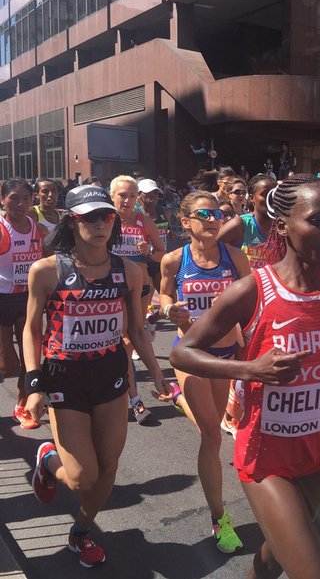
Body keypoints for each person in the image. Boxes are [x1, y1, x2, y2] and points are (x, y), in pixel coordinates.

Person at [169, 178, 320, 579]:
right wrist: (250, 369)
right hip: (266, 457)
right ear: (283, 226)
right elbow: (183, 352)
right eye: (318, 221)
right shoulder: (252, 290)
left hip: (319, 451)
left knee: (273, 559)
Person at [25, 185, 171, 568]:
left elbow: (138, 330)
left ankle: (82, 531)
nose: (101, 224)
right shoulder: (48, 270)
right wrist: (33, 383)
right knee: (80, 477)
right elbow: (31, 330)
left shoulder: (131, 271)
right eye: (90, 217)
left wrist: (157, 376)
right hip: (64, 377)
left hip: (110, 373)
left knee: (108, 466)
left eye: (106, 216)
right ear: (73, 222)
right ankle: (48, 459)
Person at [160, 191, 250, 554]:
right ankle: (219, 518)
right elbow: (162, 296)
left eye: (216, 213)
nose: (212, 220)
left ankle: (181, 400)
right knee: (212, 436)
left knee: (217, 424)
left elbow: (254, 300)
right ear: (185, 222)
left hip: (226, 355)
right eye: (202, 214)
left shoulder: (235, 257)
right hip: (192, 356)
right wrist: (170, 312)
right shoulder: (173, 260)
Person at [109, 175, 167, 423]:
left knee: (132, 338)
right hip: (114, 289)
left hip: (141, 287)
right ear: (112, 196)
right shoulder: (105, 220)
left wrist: (148, 252)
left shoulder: (143, 220)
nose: (128, 200)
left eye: (132, 195)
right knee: (123, 341)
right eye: (122, 195)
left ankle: (130, 396)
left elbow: (161, 253)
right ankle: (133, 398)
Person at [1, 179, 45, 429]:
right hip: (1, 299)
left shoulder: (37, 229)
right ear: (2, 200)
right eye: (13, 198)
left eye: (26, 199)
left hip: (28, 298)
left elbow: (48, 256)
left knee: (32, 357)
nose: (19, 204)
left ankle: (23, 403)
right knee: (7, 364)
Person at [217, 174, 275, 270]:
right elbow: (210, 249)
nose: (271, 199)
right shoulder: (240, 224)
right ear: (252, 198)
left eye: (274, 194)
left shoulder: (283, 227)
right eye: (265, 195)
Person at [137, 179, 171, 297]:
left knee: (169, 295)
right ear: (139, 194)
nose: (152, 196)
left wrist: (170, 232)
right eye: (148, 193)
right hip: (143, 261)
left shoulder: (165, 212)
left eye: (155, 193)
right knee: (146, 298)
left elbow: (168, 228)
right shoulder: (135, 215)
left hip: (160, 259)